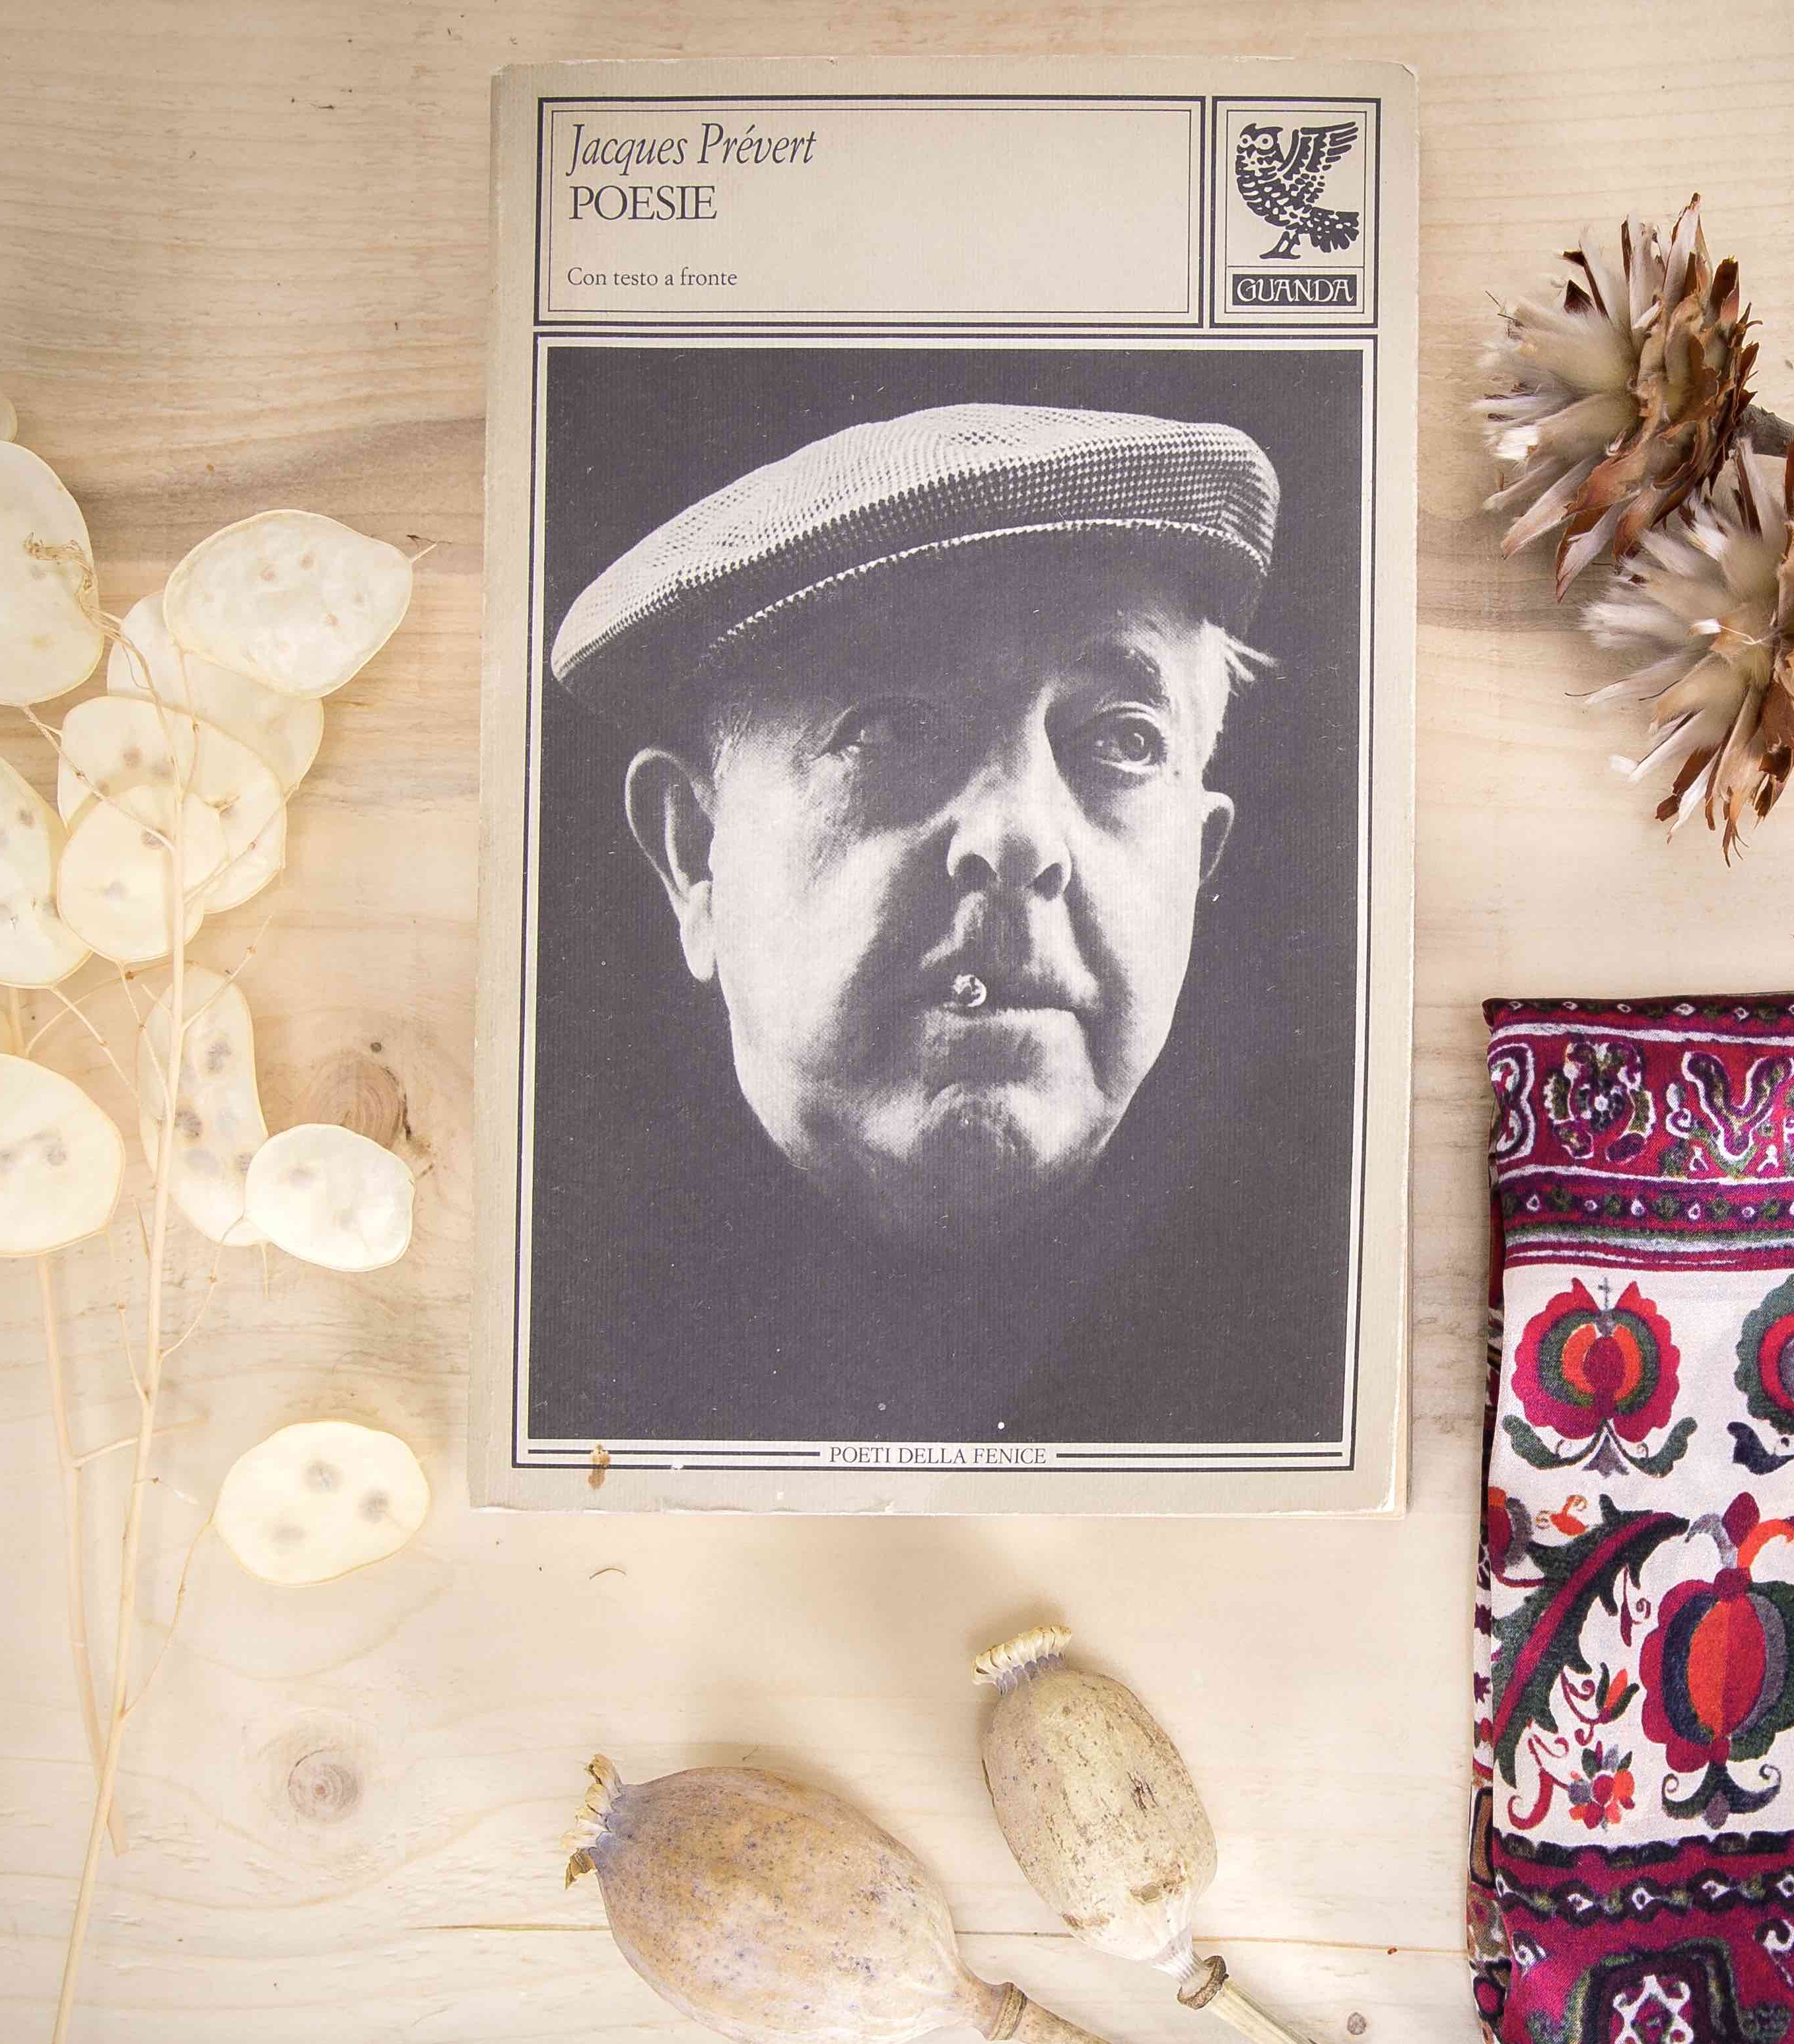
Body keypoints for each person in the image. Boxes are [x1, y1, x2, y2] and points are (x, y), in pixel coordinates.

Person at [536, 400, 1342, 1445]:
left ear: (1197, 860)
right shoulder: (560, 1334)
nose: (1019, 839)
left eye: (1123, 741)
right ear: (695, 853)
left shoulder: (1312, 1331)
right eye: (890, 728)